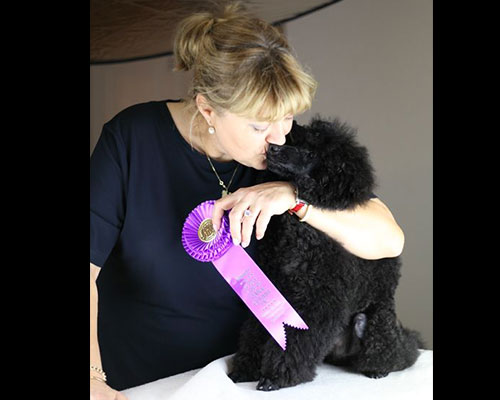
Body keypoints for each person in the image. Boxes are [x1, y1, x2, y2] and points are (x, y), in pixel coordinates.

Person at [90, 1, 405, 398]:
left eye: (286, 117)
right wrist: (92, 377)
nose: (278, 138)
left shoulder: (290, 150)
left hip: (249, 381)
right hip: (145, 381)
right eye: (258, 126)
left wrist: (294, 198)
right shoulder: (131, 139)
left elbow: (388, 239)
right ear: (208, 109)